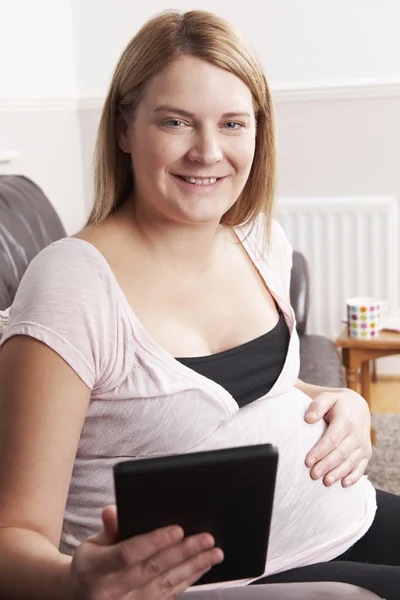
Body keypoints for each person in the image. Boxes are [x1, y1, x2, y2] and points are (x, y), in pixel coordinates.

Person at [0, 8, 396, 600]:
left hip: (343, 519)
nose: (208, 151)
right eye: (177, 122)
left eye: (233, 123)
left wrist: (346, 405)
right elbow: (12, 534)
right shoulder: (73, 286)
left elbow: (243, 395)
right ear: (124, 130)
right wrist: (72, 581)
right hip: (219, 581)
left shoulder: (260, 240)